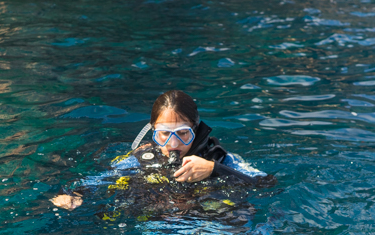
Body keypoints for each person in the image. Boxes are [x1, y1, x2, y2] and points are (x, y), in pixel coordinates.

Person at [51, 90, 266, 211]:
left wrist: (215, 169)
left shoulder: (219, 158)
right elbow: (100, 179)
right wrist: (71, 194)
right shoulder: (140, 158)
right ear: (153, 131)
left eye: (182, 133)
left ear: (196, 129)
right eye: (164, 134)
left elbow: (267, 185)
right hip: (166, 229)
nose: (173, 144)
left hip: (219, 222)